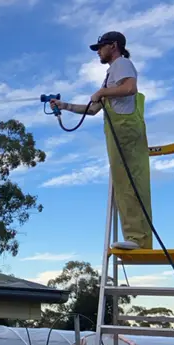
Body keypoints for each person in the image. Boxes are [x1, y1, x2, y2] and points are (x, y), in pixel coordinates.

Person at [51, 31, 153, 250]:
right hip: (118, 131)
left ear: (113, 46)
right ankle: (135, 236)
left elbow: (130, 88)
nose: (98, 51)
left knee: (130, 182)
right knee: (122, 183)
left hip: (126, 130)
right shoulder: (111, 73)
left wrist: (102, 91)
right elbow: (94, 109)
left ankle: (138, 238)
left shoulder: (122, 63)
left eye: (100, 47)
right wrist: (65, 106)